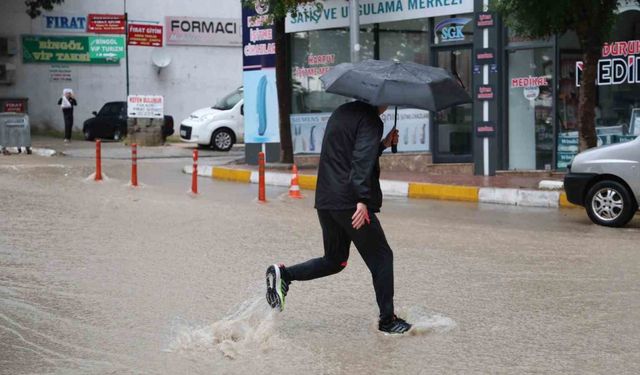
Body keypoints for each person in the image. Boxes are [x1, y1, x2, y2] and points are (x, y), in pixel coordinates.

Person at [265, 100, 412, 334]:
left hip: (326, 199)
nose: (389, 104)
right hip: (350, 202)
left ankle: (285, 274)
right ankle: (388, 321)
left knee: (335, 260)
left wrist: (382, 144)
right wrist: (363, 200)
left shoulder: (342, 112)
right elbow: (361, 160)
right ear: (380, 99)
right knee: (382, 257)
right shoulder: (371, 119)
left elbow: (348, 154)